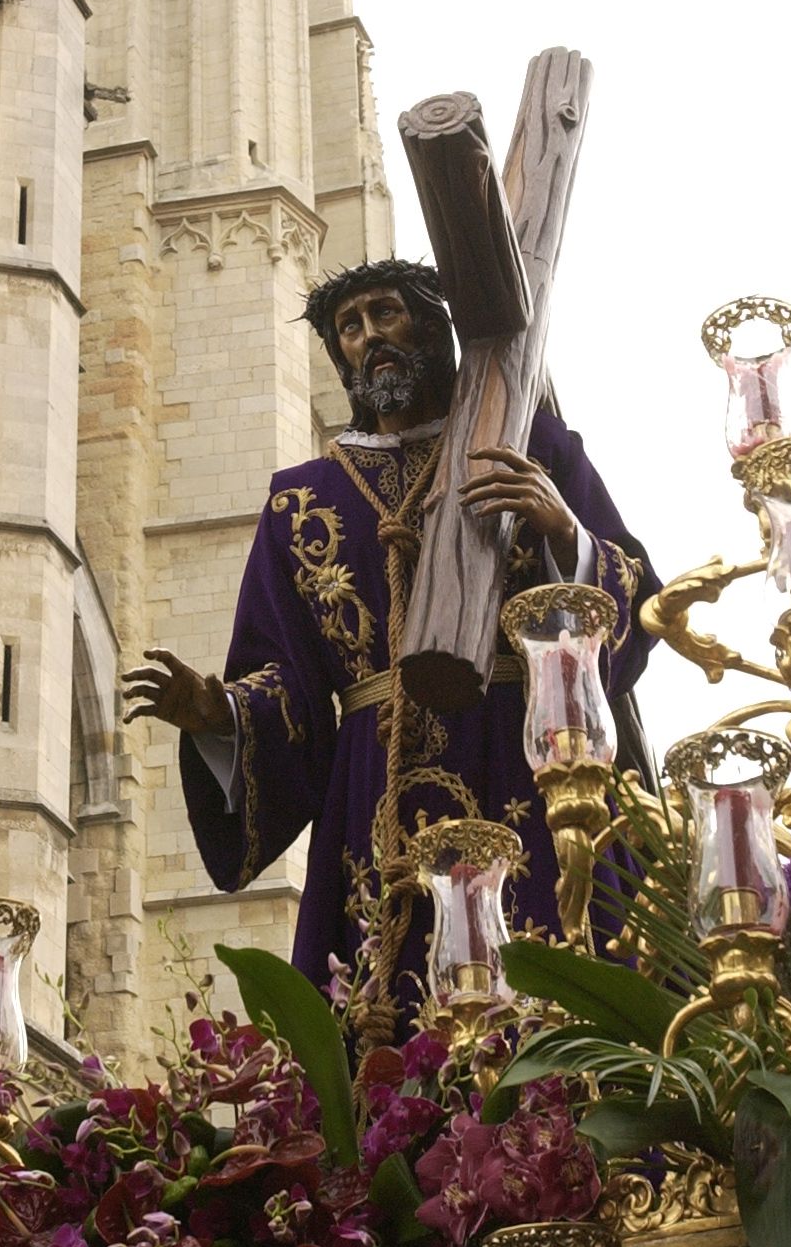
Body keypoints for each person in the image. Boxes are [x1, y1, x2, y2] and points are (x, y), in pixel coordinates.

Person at [123, 259, 658, 1024]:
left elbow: (637, 593)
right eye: (351, 327)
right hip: (381, 794)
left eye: (386, 314)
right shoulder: (302, 499)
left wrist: (561, 529)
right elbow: (287, 680)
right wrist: (219, 712)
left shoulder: (529, 445)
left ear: (432, 328)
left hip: (532, 757)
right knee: (395, 1029)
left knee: (566, 991)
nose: (370, 336)